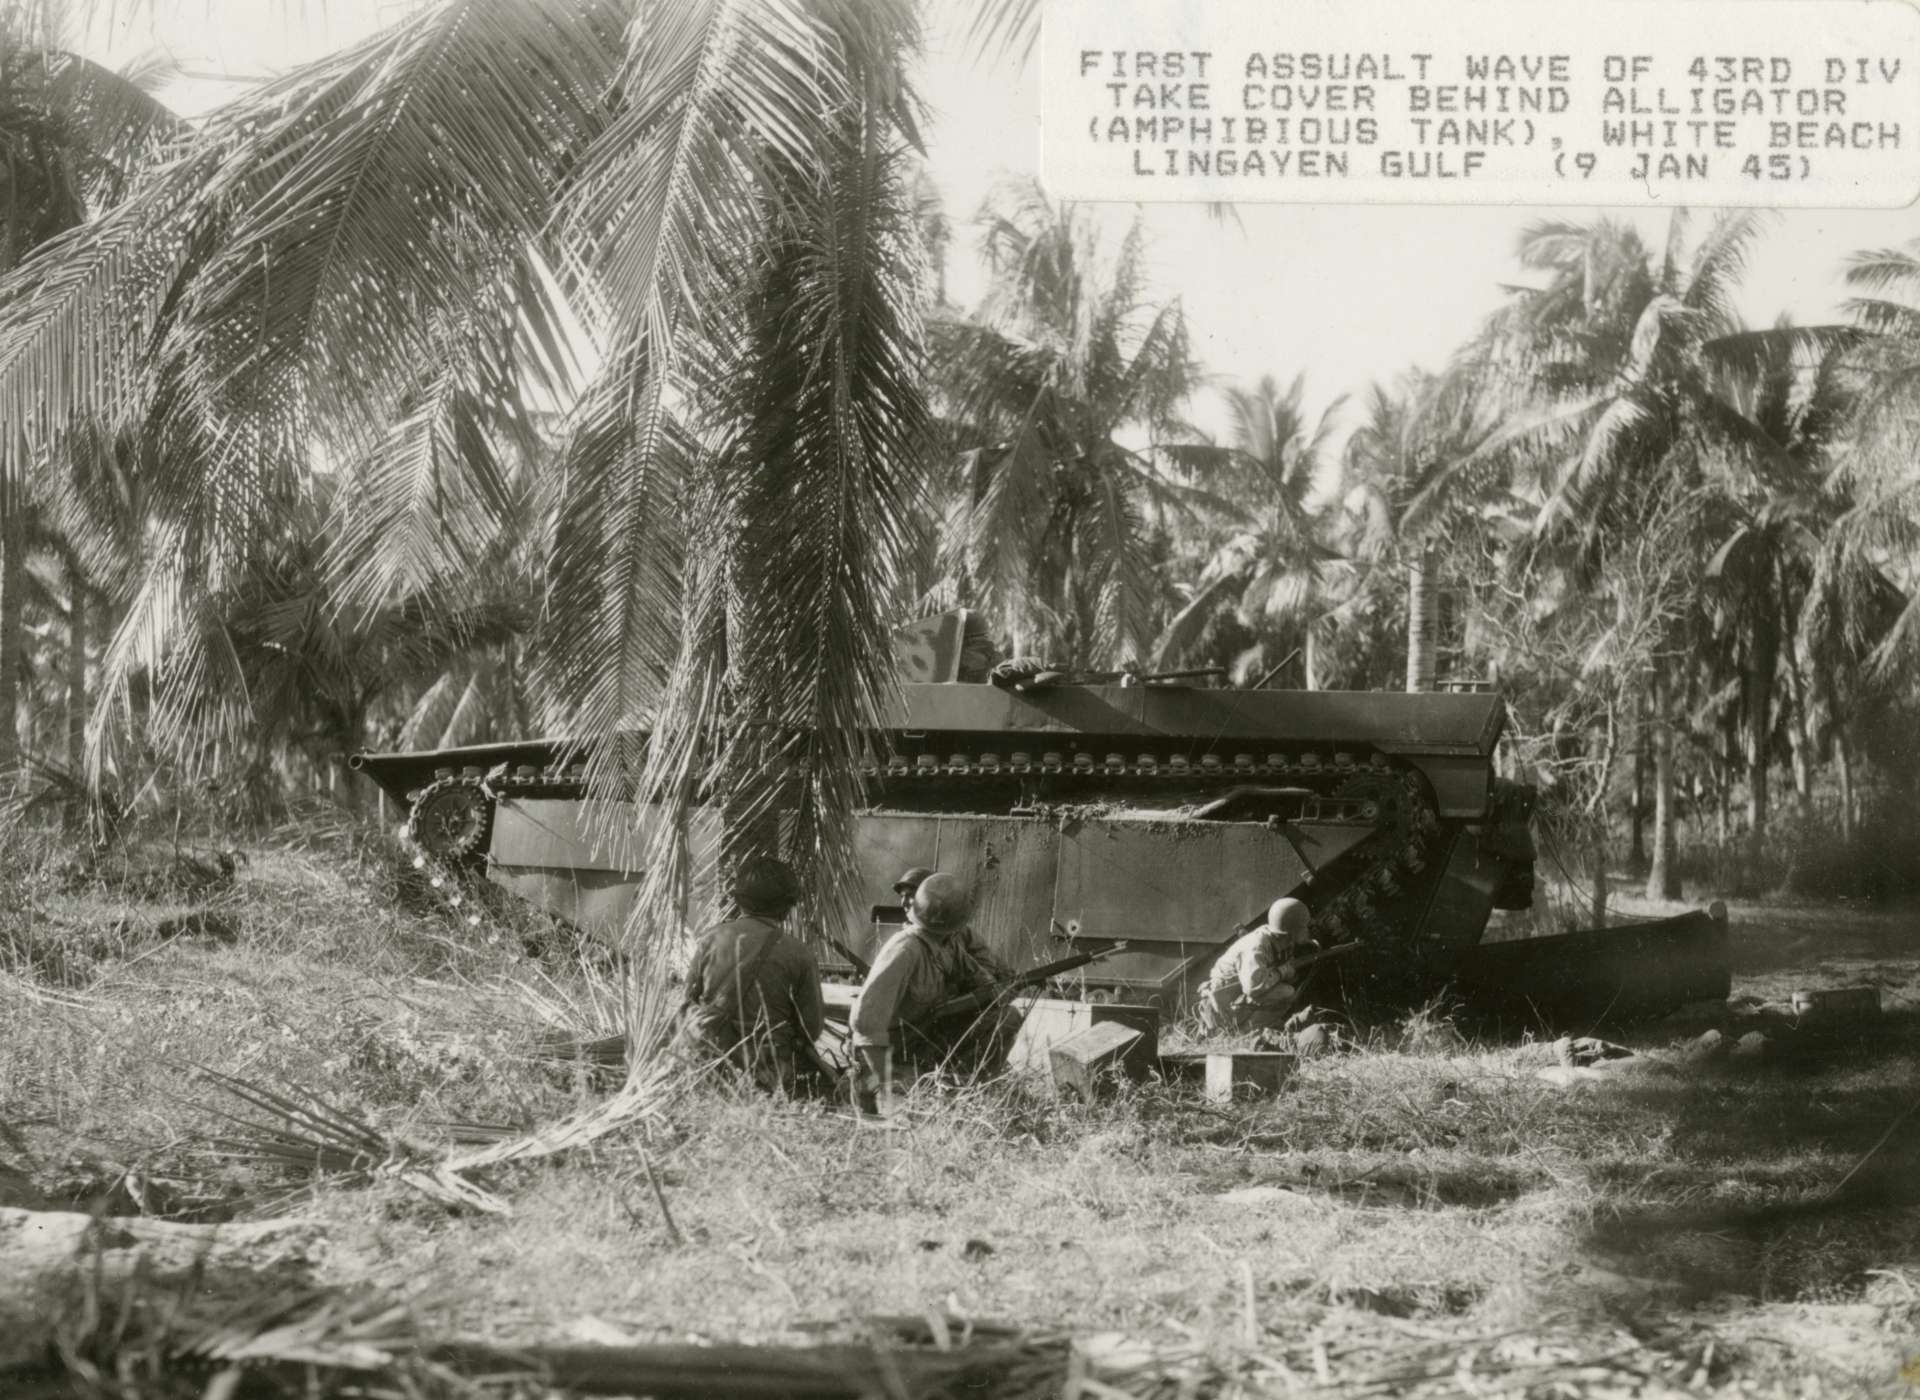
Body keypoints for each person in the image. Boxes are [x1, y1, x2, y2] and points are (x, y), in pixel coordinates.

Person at [849, 872, 1022, 1107]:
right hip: (892, 1053)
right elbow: (865, 1021)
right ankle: (898, 1084)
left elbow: (986, 984)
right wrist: (886, 1082)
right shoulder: (905, 949)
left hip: (925, 1042)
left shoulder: (948, 945)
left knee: (1007, 1018)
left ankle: (966, 1088)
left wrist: (1000, 991)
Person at [673, 856, 831, 1095]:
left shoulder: (709, 940)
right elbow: (811, 1029)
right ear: (787, 905)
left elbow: (686, 1002)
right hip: (765, 1078)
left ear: (740, 901)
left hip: (706, 1069)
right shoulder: (799, 954)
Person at [1196, 896, 1313, 1036]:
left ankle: (1250, 1027)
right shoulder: (1256, 946)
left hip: (1238, 996)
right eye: (1303, 927)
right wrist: (1283, 971)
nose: (1307, 930)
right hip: (1224, 1003)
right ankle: (1241, 1033)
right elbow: (1253, 987)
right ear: (1290, 931)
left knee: (1285, 990)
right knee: (1286, 992)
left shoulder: (1280, 940)